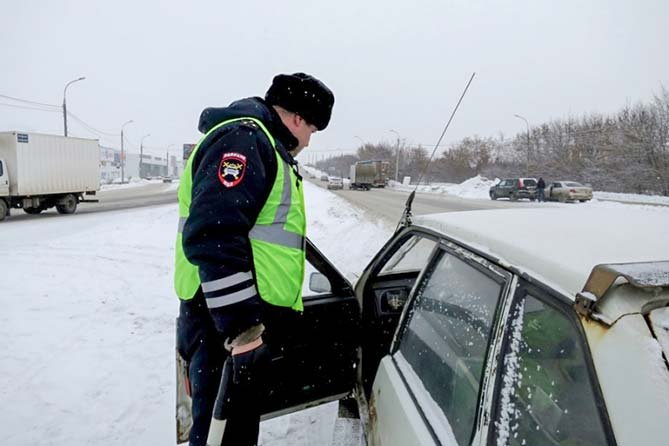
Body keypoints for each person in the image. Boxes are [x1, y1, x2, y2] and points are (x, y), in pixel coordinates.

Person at [174, 73, 334, 446]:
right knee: (222, 434)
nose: (308, 141)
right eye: (312, 128)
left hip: (230, 320)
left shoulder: (263, 145)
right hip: (222, 323)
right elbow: (214, 233)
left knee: (236, 428)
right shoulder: (246, 140)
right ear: (297, 118)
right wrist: (242, 331)